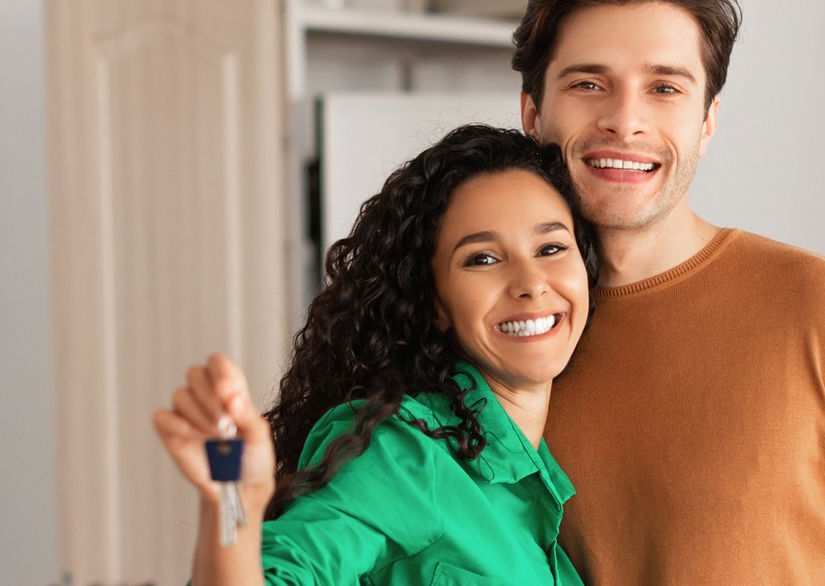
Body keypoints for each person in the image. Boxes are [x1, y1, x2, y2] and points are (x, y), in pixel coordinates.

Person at [511, 0, 825, 582]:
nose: (625, 121)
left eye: (665, 88)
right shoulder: (498, 330)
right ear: (532, 113)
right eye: (588, 84)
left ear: (707, 121)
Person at [152, 125, 598, 584]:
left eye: (551, 248)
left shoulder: (543, 475)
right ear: (436, 303)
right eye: (481, 258)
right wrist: (233, 507)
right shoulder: (403, 455)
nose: (530, 282)